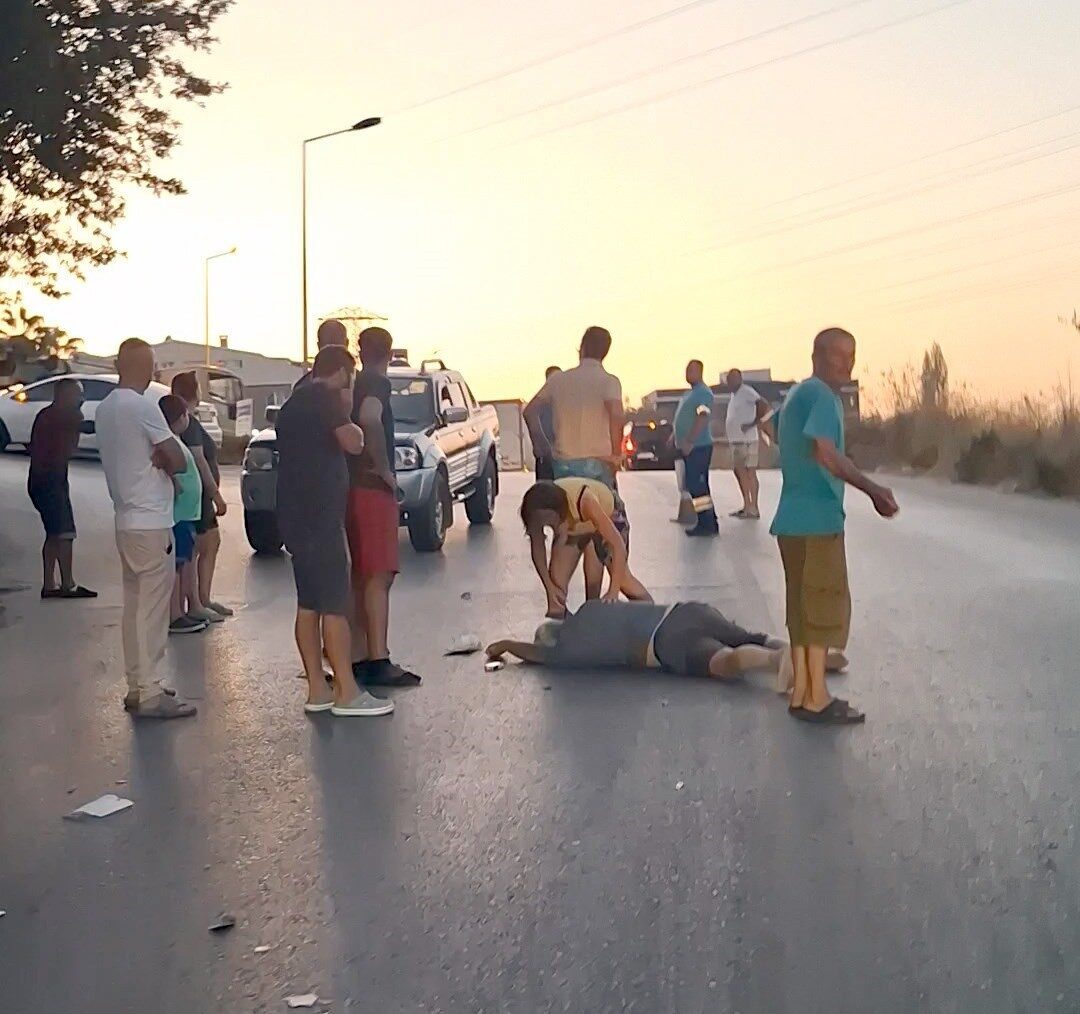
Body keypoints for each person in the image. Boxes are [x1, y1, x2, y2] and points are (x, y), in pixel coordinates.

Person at [771, 328, 898, 725]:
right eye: (839, 354)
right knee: (823, 607)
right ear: (818, 355)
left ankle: (803, 693)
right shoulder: (824, 397)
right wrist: (873, 489)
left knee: (801, 609)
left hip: (790, 519)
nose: (848, 363)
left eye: (852, 355)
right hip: (818, 520)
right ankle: (816, 698)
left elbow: (773, 430)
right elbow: (825, 452)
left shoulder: (797, 394)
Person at [275, 345, 393, 717]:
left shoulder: (292, 404)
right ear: (343, 373)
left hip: (294, 516)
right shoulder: (325, 397)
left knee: (308, 603)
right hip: (322, 518)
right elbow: (353, 442)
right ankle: (346, 690)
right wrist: (349, 411)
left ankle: (317, 688)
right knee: (335, 604)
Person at [96, 338, 195, 719]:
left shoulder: (106, 408)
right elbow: (177, 458)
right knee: (151, 611)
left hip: (126, 519)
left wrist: (160, 457)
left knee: (135, 606)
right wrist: (166, 460)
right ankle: (150, 691)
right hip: (151, 521)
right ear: (145, 367)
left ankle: (138, 684)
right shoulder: (141, 406)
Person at [485, 599, 848, 685]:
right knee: (752, 636)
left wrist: (506, 644)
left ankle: (774, 663)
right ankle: (813, 655)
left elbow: (537, 654)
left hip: (664, 644)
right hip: (685, 611)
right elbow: (640, 597)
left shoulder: (566, 651)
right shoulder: (592, 608)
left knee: (726, 661)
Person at [347, 326, 421, 688]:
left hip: (350, 487)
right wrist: (384, 469)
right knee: (379, 574)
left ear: (360, 351)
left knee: (360, 576)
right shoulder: (376, 383)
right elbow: (370, 418)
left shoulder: (352, 383)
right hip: (372, 488)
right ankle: (379, 658)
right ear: (389, 354)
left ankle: (358, 654)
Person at [520, 477, 651, 619]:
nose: (545, 523)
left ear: (558, 511)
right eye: (540, 521)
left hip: (607, 515)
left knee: (622, 579)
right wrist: (549, 588)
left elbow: (617, 545)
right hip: (575, 526)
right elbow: (537, 550)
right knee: (556, 585)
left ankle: (651, 614)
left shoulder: (585, 501)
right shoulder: (535, 511)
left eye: (549, 519)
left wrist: (613, 591)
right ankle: (563, 624)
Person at [27, 378, 97, 599]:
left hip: (40, 479)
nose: (81, 399)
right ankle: (68, 584)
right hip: (51, 481)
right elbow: (87, 427)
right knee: (65, 533)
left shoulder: (46, 414)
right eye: (78, 395)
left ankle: (49, 583)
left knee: (53, 533)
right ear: (65, 395)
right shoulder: (65, 415)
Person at [170, 372, 230, 621]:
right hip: (199, 499)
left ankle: (200, 599)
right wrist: (216, 495)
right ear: (195, 390)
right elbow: (199, 460)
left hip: (198, 497)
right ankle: (197, 601)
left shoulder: (187, 421)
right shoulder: (189, 424)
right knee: (200, 547)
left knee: (201, 547)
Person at [158, 395, 208, 634]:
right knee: (177, 564)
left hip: (186, 513)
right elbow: (168, 467)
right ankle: (174, 614)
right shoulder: (170, 443)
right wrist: (175, 483)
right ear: (179, 418)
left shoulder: (176, 441)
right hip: (179, 514)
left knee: (184, 561)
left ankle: (182, 609)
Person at [673, 359, 718, 537]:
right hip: (690, 447)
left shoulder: (703, 393)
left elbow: (702, 417)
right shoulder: (689, 394)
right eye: (687, 370)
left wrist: (690, 441)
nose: (688, 373)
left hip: (699, 447)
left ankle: (707, 524)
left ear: (700, 372)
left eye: (691, 370)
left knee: (698, 486)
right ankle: (706, 521)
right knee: (694, 486)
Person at [725, 368, 773, 520]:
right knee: (739, 472)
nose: (729, 382)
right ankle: (747, 505)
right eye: (728, 380)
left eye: (732, 379)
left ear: (739, 379)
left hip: (746, 440)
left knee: (749, 472)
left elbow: (762, 404)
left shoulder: (746, 391)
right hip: (736, 440)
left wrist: (754, 423)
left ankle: (753, 507)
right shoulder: (734, 395)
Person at [292, 318, 348, 391]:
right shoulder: (359, 383)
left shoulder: (303, 387)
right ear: (347, 343)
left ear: (319, 346)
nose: (333, 351)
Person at [533, 365, 561, 480]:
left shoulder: (565, 401)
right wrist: (541, 446)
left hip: (562, 454)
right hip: (546, 456)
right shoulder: (540, 403)